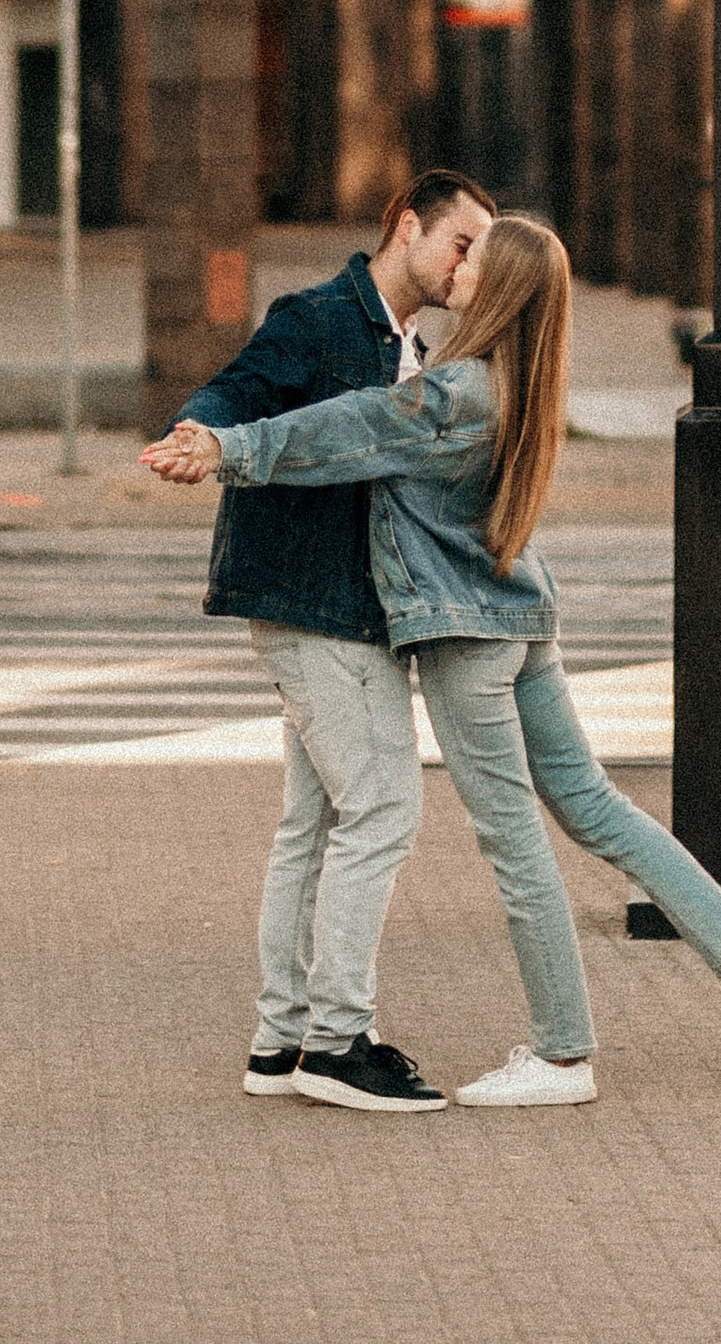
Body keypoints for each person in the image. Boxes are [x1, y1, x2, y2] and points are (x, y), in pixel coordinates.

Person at [147, 214, 721, 1112]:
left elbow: (352, 430)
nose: (458, 265)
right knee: (595, 807)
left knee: (514, 842)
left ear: (494, 288)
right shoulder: (522, 382)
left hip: (469, 638)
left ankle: (563, 1054)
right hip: (523, 615)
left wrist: (232, 448)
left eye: (475, 257)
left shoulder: (456, 392)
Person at [171, 168, 497, 1117]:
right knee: (385, 810)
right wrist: (200, 428)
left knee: (313, 824)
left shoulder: (414, 346)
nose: (469, 265)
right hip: (312, 603)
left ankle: (281, 1041)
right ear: (407, 228)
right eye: (461, 243)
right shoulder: (317, 318)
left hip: (342, 607)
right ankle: (337, 1039)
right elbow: (242, 388)